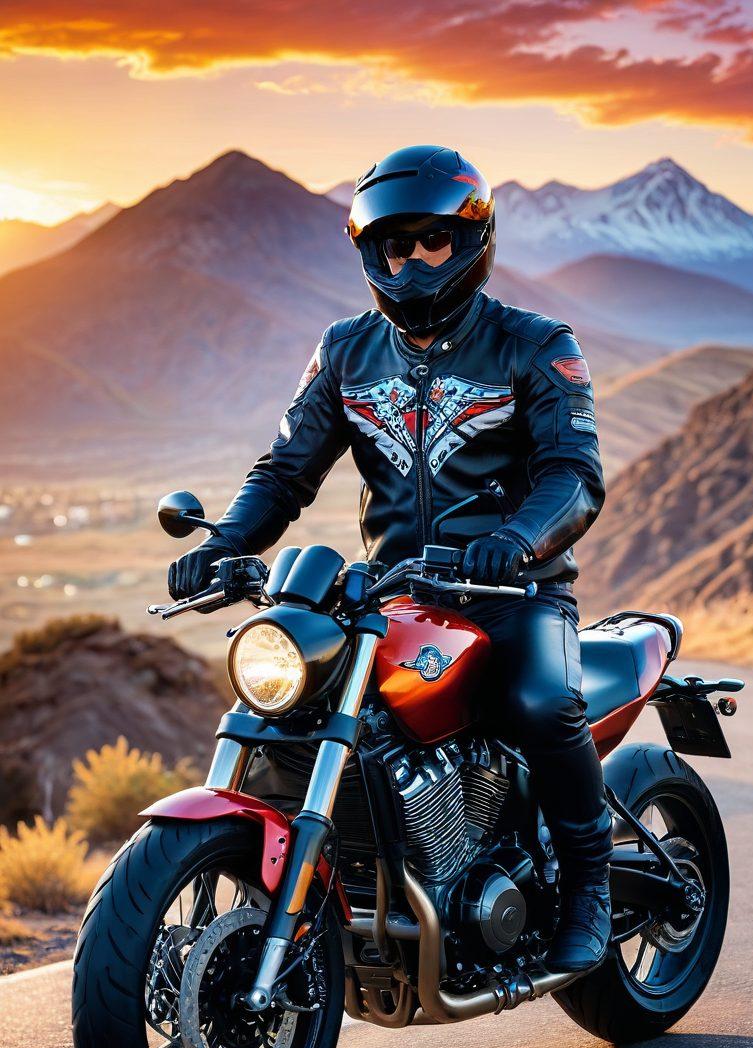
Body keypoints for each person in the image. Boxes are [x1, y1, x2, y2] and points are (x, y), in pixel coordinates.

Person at [168, 144, 612, 971]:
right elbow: (285, 472)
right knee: (300, 707)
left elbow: (573, 476)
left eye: (433, 241)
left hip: (515, 591)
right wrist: (226, 542)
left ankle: (590, 886)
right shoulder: (346, 351)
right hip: (400, 595)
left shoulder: (535, 343)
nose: (413, 261)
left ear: (472, 240)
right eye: (395, 245)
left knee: (544, 700)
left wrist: (516, 542)